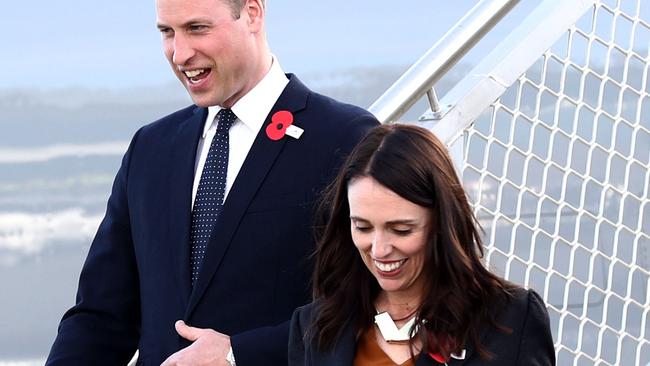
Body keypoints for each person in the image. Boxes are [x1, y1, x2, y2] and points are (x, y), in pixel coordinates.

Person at [45, 0, 378, 365]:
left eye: (197, 28)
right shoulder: (150, 148)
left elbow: (367, 302)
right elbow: (101, 315)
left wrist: (238, 353)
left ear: (252, 13)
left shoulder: (346, 138)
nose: (180, 53)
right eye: (167, 32)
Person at [289, 124, 556, 365]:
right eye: (363, 227)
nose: (379, 249)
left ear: (442, 223)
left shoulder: (510, 319)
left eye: (401, 230)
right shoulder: (314, 327)